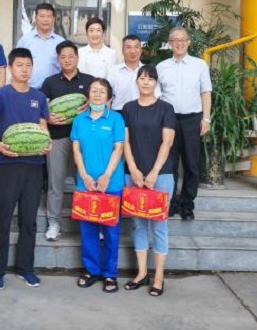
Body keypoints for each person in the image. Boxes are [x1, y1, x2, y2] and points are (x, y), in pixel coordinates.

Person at [0, 47, 51, 290]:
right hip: (6, 164)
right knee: (2, 218)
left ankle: (26, 268)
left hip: (34, 164)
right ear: (11, 68)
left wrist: (47, 143)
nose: (24, 69)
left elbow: (43, 127)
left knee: (29, 219)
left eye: (28, 65)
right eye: (20, 65)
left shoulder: (39, 97)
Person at [122, 65, 176, 297]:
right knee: (138, 224)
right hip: (133, 174)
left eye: (150, 79)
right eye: (142, 78)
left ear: (156, 83)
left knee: (159, 225)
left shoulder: (166, 108)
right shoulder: (128, 108)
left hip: (161, 175)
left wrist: (153, 172)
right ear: (136, 81)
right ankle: (142, 273)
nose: (145, 82)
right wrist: (133, 169)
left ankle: (159, 276)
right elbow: (125, 142)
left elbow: (167, 142)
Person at [71, 78, 125, 293]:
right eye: (94, 91)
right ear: (88, 95)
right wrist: (84, 175)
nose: (97, 94)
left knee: (111, 231)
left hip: (110, 184)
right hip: (85, 184)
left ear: (108, 96)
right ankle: (91, 270)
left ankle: (110, 274)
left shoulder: (116, 119)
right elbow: (76, 150)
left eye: (102, 91)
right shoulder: (79, 120)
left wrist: (106, 176)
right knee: (88, 231)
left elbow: (118, 148)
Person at [40, 40, 94, 241]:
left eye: (71, 56)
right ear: (58, 60)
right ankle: (54, 223)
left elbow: (103, 102)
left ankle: (90, 220)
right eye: (63, 57)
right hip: (58, 138)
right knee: (55, 183)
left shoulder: (90, 81)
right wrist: (48, 118)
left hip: (84, 140)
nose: (67, 60)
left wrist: (91, 105)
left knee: (86, 181)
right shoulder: (50, 82)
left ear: (77, 58)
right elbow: (42, 110)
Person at [156, 28, 212, 221]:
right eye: (175, 40)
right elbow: (157, 96)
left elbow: (206, 92)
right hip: (168, 120)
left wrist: (206, 118)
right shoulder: (162, 67)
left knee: (191, 163)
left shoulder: (199, 65)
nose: (179, 43)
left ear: (188, 42)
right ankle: (170, 203)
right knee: (169, 163)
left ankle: (187, 204)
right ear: (170, 43)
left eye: (183, 39)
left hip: (192, 119)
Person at [16, 2, 65, 89]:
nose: (45, 20)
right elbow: (16, 64)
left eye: (49, 16)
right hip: (29, 89)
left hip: (53, 90)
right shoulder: (25, 41)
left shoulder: (61, 42)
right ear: (35, 18)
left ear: (53, 19)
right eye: (42, 16)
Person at [108, 34, 159, 111]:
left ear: (141, 50)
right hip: (120, 113)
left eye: (136, 47)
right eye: (128, 47)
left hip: (145, 112)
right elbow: (107, 97)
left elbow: (156, 95)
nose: (132, 51)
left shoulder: (149, 71)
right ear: (122, 50)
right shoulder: (113, 71)